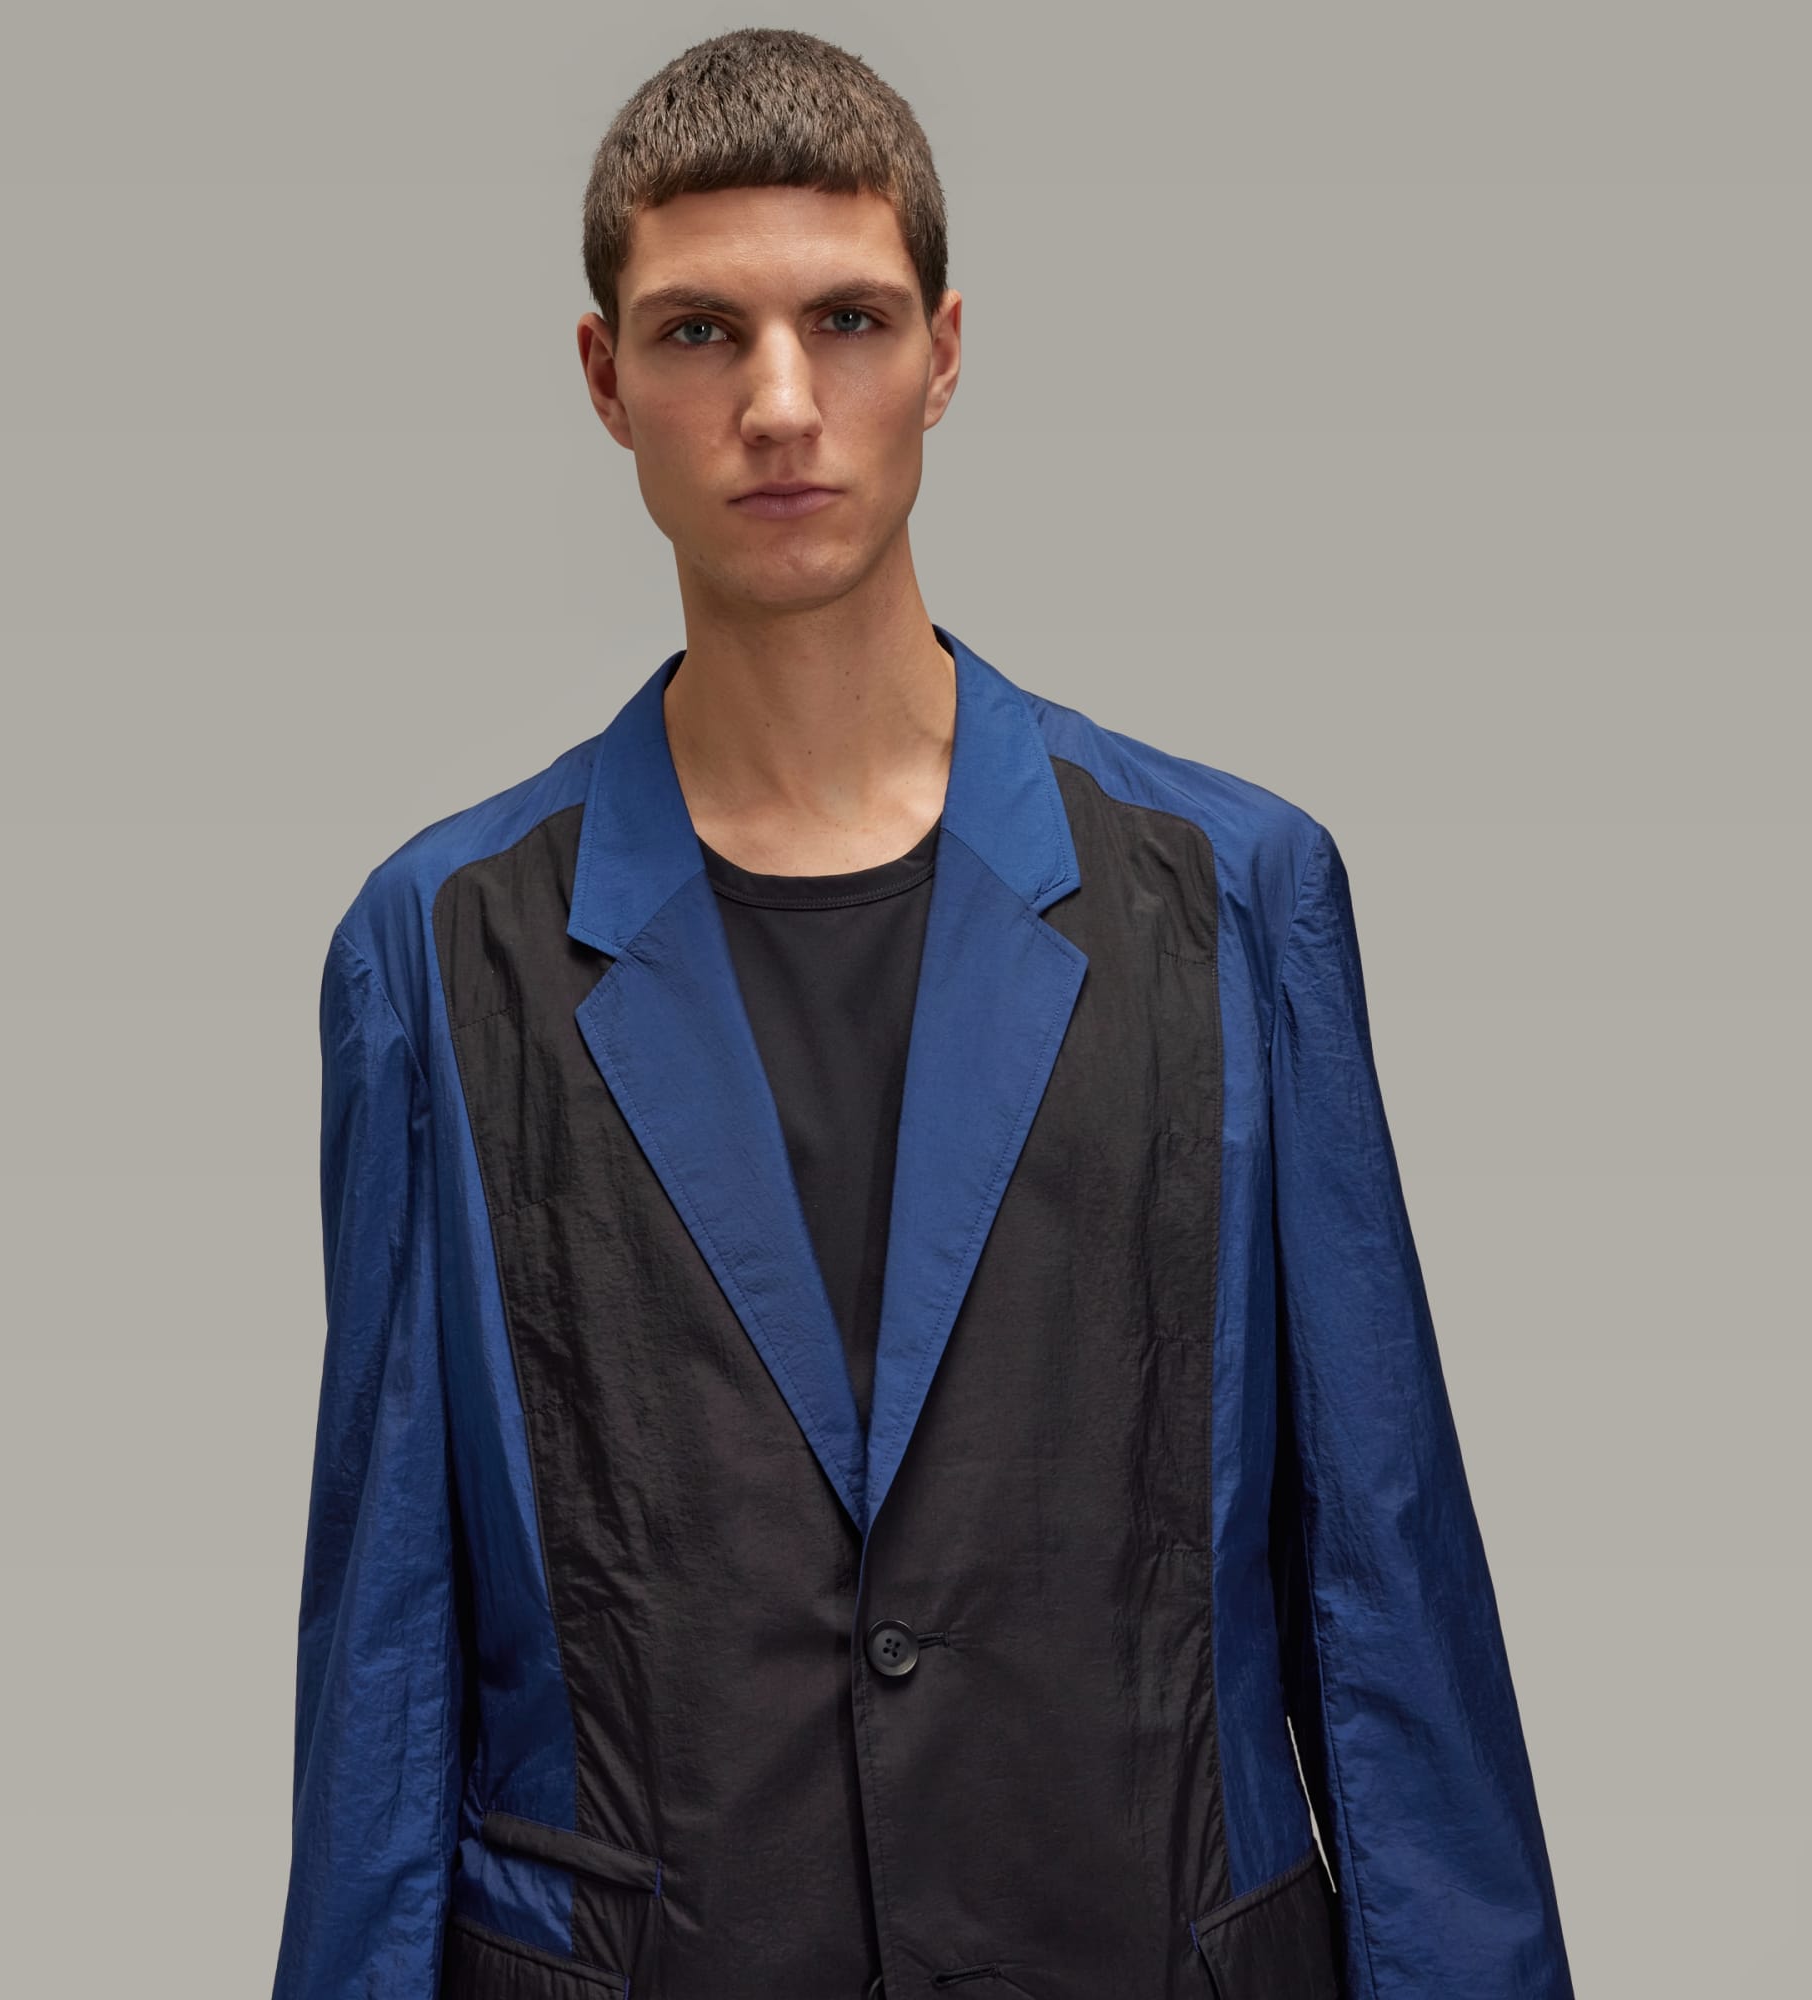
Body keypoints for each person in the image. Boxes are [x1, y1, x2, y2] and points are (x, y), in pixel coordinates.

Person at [269, 28, 1575, 2000]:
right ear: (605, 379)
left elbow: (1383, 1585)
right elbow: (386, 1656)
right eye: (700, 332)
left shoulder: (1233, 893)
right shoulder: (443, 947)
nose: (780, 403)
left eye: (849, 320)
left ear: (945, 354)